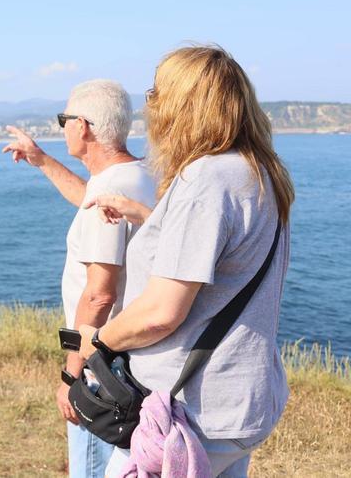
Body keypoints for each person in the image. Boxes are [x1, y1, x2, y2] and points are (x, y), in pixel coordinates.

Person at [78, 46, 293, 478]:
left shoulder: (205, 179)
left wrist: (98, 341)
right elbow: (226, 252)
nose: (151, 105)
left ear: (181, 107)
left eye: (157, 93)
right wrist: (146, 217)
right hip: (240, 402)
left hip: (190, 411)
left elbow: (161, 312)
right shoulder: (260, 173)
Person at [4, 79, 157, 478]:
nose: (63, 127)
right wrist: (40, 159)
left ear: (84, 126)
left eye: (64, 119)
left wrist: (72, 375)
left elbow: (98, 296)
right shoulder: (138, 175)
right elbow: (88, 197)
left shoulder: (111, 186)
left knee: (91, 468)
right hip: (132, 358)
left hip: (103, 367)